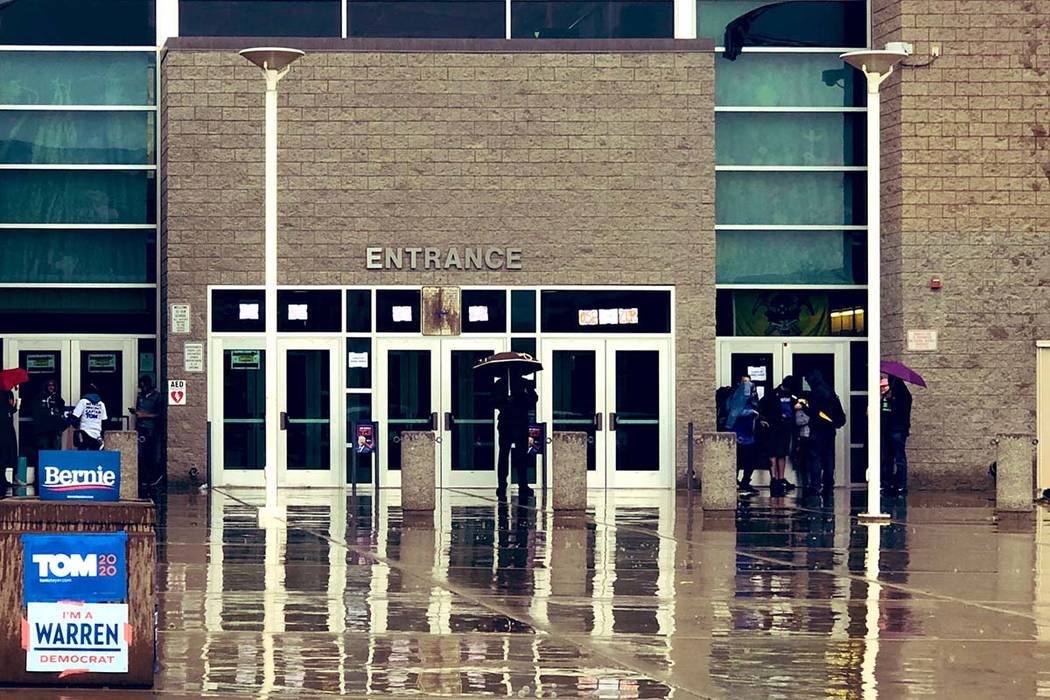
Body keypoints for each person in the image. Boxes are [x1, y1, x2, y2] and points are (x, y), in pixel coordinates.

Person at [494, 375, 538, 500]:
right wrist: (504, 400)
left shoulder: (525, 383)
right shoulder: (501, 383)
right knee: (504, 454)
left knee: (521, 455)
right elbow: (492, 401)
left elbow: (534, 399)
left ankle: (523, 485)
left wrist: (520, 398)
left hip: (520, 422)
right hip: (506, 423)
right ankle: (502, 485)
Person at [803, 370, 846, 494]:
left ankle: (815, 485)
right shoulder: (830, 391)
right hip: (829, 429)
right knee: (828, 457)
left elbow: (813, 412)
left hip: (817, 429)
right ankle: (828, 484)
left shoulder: (816, 392)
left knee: (815, 458)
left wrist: (804, 406)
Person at [759, 375, 799, 496]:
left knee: (782, 453)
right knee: (773, 453)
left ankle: (781, 478)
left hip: (786, 428)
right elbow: (763, 408)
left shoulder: (792, 395)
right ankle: (774, 478)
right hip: (773, 427)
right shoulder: (772, 395)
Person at [727, 376, 760, 495]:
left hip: (749, 434)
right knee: (737, 461)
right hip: (738, 434)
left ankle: (746, 482)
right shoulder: (736, 396)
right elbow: (733, 411)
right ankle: (733, 482)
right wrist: (750, 412)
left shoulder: (752, 398)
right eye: (745, 382)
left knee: (750, 461)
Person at [881, 374, 912, 494]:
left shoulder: (903, 396)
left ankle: (900, 484)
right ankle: (887, 483)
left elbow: (901, 413)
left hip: (898, 430)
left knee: (899, 459)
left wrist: (891, 400)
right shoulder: (888, 396)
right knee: (887, 458)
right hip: (889, 430)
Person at [132, 375, 163, 488]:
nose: (143, 389)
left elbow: (159, 414)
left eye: (145, 386)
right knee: (141, 454)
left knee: (150, 454)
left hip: (151, 429)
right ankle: (143, 477)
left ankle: (152, 477)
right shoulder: (140, 396)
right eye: (141, 387)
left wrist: (144, 415)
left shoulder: (157, 397)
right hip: (141, 428)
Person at [31, 378, 66, 464]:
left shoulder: (57, 398)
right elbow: (34, 411)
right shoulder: (39, 397)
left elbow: (61, 409)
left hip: (55, 430)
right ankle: (42, 471)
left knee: (55, 451)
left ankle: (55, 468)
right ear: (46, 386)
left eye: (53, 385)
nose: (51, 387)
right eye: (49, 385)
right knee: (43, 451)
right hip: (42, 430)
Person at [72, 384, 107, 451]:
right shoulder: (101, 404)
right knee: (95, 457)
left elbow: (75, 416)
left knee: (83, 456)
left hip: (84, 432)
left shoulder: (83, 401)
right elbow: (104, 420)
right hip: (97, 434)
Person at [0, 389, 16, 498]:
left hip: (6, 438)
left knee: (5, 459)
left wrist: (14, 408)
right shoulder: (4, 410)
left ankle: (4, 478)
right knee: (3, 459)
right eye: (11, 399)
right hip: (4, 438)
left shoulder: (7, 410)